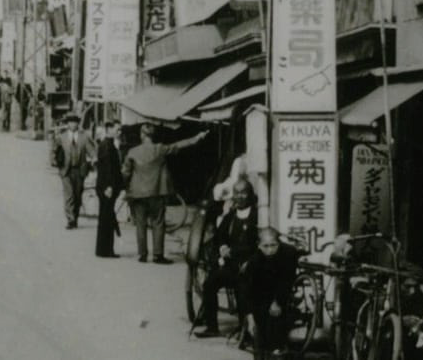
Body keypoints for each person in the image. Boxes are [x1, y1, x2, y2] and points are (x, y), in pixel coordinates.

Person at [122, 123, 208, 263]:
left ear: (141, 135)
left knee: (140, 223)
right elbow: (179, 145)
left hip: (138, 194)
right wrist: (196, 138)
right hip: (157, 192)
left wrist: (127, 188)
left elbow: (125, 173)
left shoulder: (132, 152)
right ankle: (158, 255)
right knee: (158, 222)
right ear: (152, 136)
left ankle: (142, 254)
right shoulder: (160, 149)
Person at [193, 178, 260, 338]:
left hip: (248, 264)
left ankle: (245, 330)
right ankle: (212, 326)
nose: (240, 196)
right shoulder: (231, 215)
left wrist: (234, 251)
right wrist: (223, 247)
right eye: (237, 193)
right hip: (231, 264)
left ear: (250, 195)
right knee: (210, 284)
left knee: (243, 288)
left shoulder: (256, 216)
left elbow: (256, 244)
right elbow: (220, 236)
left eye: (244, 192)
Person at [238, 228, 302, 357]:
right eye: (265, 246)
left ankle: (277, 347)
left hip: (281, 291)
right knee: (259, 323)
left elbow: (287, 281)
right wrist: (250, 318)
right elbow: (247, 291)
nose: (269, 250)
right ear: (259, 246)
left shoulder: (289, 253)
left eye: (273, 245)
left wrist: (277, 302)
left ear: (279, 243)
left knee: (277, 317)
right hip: (261, 294)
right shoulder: (255, 261)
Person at [49, 113, 93, 229]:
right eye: (70, 122)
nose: (73, 124)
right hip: (66, 170)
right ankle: (70, 219)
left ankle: (75, 216)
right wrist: (54, 161)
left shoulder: (84, 137)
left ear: (78, 124)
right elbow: (54, 150)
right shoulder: (61, 137)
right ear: (67, 124)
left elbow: (92, 151)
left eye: (75, 122)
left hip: (80, 170)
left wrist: (94, 160)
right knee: (69, 195)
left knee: (77, 195)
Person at [94, 120, 124, 258]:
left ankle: (103, 250)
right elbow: (107, 169)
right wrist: (109, 186)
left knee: (106, 218)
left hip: (106, 187)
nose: (119, 132)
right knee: (107, 219)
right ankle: (106, 250)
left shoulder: (108, 144)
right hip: (107, 188)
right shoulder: (107, 145)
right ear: (109, 129)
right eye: (117, 129)